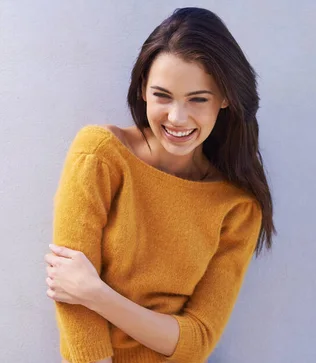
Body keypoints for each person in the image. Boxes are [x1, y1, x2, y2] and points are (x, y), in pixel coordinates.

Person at [44, 7, 275, 363]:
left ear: (225, 99)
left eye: (198, 99)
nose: (177, 118)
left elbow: (197, 340)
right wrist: (83, 295)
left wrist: (95, 293)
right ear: (142, 90)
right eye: (163, 96)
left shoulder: (238, 206)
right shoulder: (100, 156)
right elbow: (69, 295)